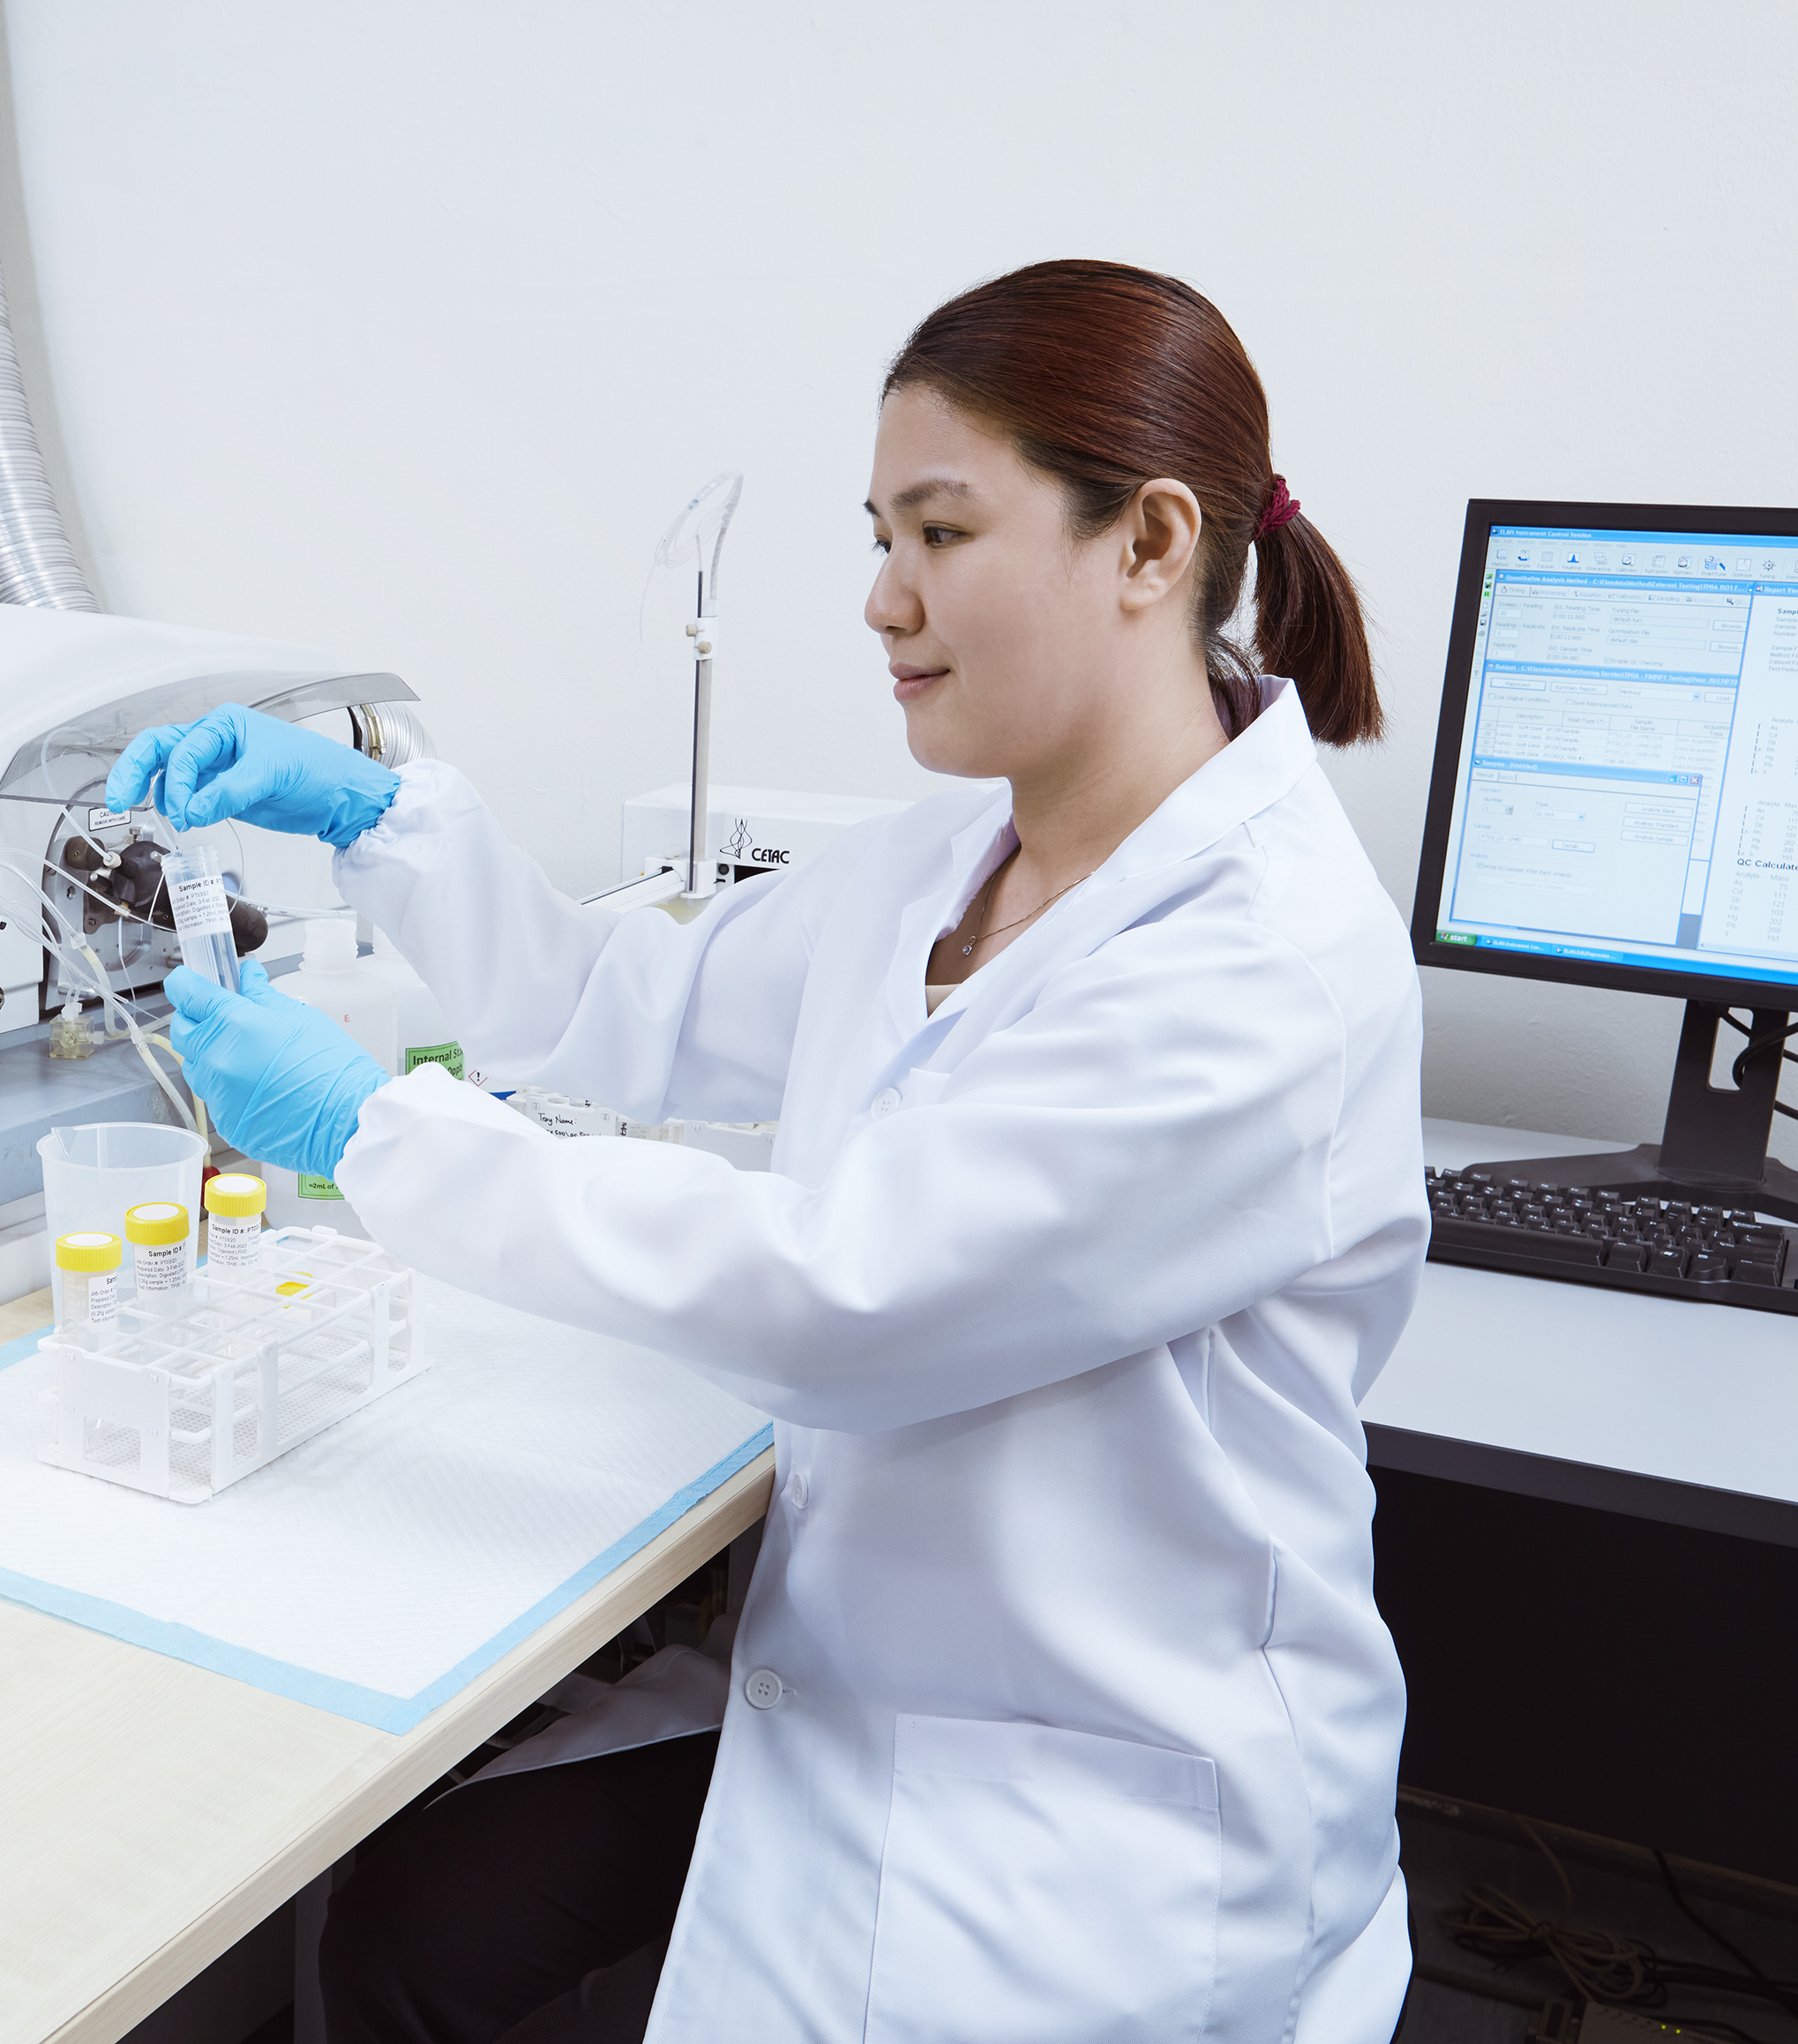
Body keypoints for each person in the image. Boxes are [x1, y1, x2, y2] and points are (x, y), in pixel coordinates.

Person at [105, 259, 1424, 2044]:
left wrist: (371, 1131)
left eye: (940, 533)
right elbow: (615, 1002)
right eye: (879, 537)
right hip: (858, 1688)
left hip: (1092, 1815)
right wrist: (387, 817)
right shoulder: (952, 859)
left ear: (1148, 542)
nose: (882, 599)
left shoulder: (1261, 963)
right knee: (416, 1928)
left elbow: (840, 1298)